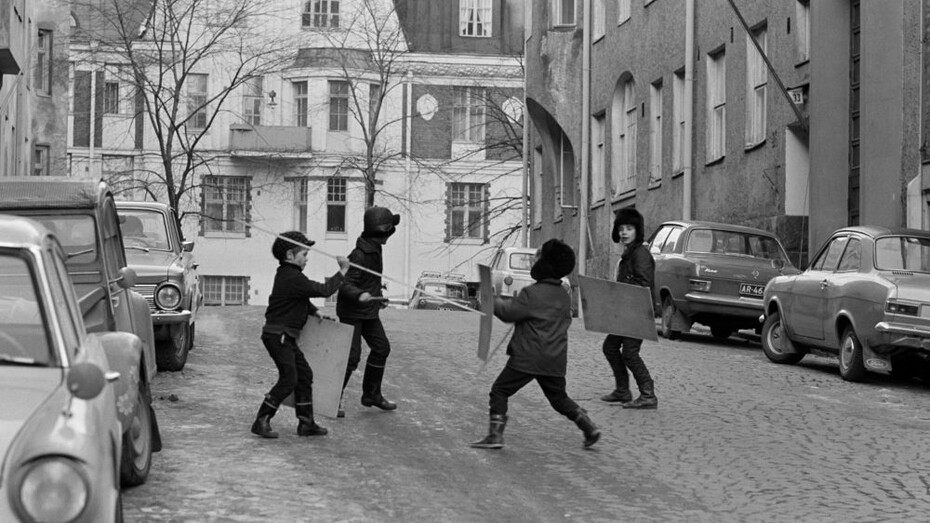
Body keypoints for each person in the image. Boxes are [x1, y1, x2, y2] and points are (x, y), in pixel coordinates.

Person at [471, 239, 600, 450]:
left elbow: (509, 312)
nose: (533, 263)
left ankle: (495, 436)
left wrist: (492, 301)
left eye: (536, 259)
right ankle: (588, 427)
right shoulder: (564, 296)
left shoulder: (532, 293)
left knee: (499, 391)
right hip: (554, 360)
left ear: (545, 264)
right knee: (559, 399)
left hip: (527, 357)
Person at [251, 231, 350, 439]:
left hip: (284, 337)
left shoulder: (289, 276)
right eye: (304, 255)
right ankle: (262, 420)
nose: (306, 259)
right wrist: (343, 270)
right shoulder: (292, 277)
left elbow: (300, 299)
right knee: (289, 378)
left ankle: (306, 424)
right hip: (279, 336)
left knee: (304, 375)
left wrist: (315, 312)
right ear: (289, 255)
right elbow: (323, 290)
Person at [337, 206, 401, 414]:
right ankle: (332, 397)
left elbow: (368, 280)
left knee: (382, 348)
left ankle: (371, 394)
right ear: (382, 231)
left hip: (368, 311)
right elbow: (345, 285)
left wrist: (377, 297)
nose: (390, 235)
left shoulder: (375, 249)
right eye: (389, 230)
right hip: (352, 312)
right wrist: (359, 295)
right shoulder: (360, 255)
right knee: (351, 357)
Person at [600, 207, 658, 409]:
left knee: (630, 354)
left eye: (629, 228)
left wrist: (622, 291)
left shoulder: (640, 254)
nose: (624, 232)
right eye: (621, 228)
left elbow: (645, 285)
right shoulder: (630, 253)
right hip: (626, 311)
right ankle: (623, 390)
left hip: (637, 312)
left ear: (637, 231)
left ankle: (648, 394)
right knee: (610, 347)